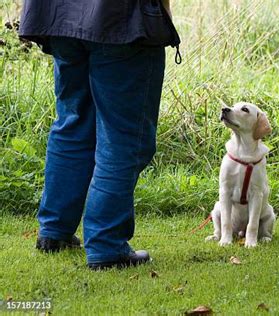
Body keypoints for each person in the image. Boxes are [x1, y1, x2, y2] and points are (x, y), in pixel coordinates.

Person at [18, 0, 174, 270]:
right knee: (123, 138)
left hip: (60, 17)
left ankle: (55, 232)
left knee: (73, 123)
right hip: (121, 21)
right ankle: (107, 246)